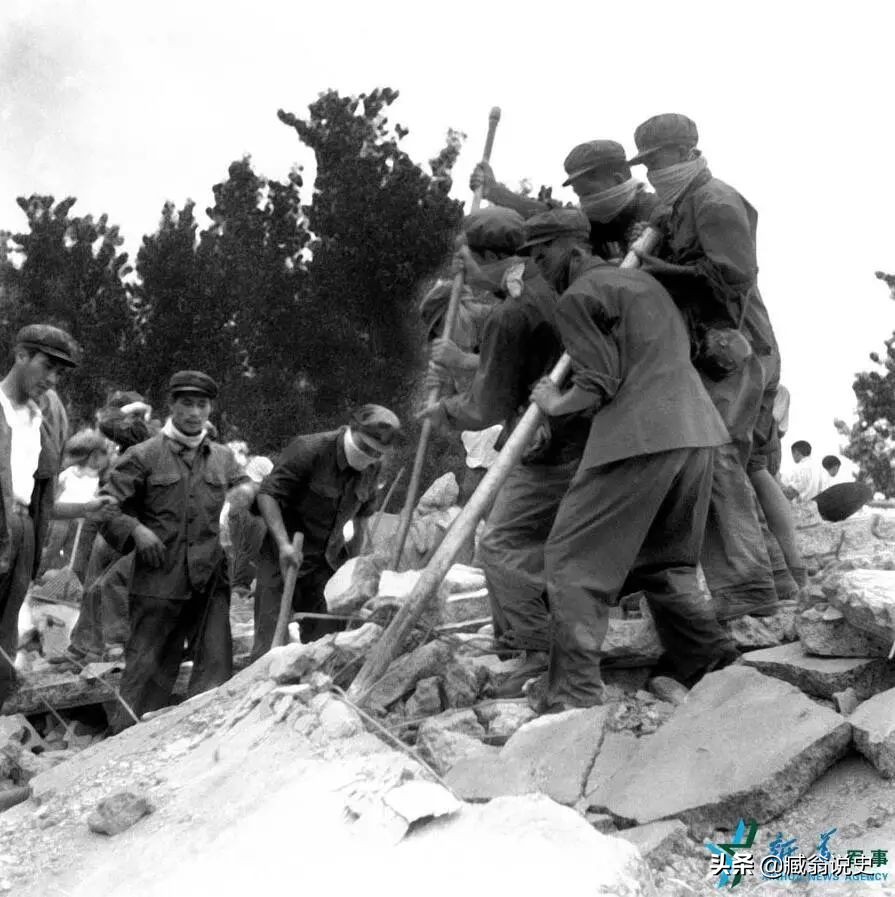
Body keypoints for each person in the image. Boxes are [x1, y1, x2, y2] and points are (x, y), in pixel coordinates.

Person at [530, 240, 737, 712]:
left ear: (572, 250)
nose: (540, 270)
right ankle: (711, 663)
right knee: (663, 563)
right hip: (696, 432)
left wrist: (553, 403)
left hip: (638, 436)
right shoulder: (646, 282)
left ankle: (575, 696)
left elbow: (599, 381)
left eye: (543, 257)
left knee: (571, 561)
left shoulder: (579, 296)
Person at [629, 112, 804, 615]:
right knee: (736, 463)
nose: (652, 173)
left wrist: (656, 272)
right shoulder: (679, 205)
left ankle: (748, 595)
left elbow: (731, 278)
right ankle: (778, 582)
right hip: (716, 349)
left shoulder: (716, 200)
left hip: (738, 348)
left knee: (719, 455)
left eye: (658, 161)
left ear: (685, 154)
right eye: (647, 165)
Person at [419, 209, 593, 688]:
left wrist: (444, 411)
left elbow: (488, 404)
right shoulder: (542, 288)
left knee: (501, 545)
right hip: (572, 437)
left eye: (466, 259)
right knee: (528, 547)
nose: (462, 271)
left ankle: (537, 652)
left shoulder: (510, 314)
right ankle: (514, 643)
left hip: (549, 448)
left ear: (491, 256)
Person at [99, 371, 249, 731]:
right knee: (148, 671)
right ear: (171, 405)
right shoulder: (143, 455)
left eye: (202, 404)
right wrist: (136, 530)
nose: (195, 412)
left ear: (210, 408)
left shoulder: (222, 457)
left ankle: (202, 743)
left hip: (209, 578)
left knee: (215, 664)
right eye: (187, 403)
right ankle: (128, 740)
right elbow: (106, 508)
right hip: (158, 581)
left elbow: (244, 486)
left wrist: (243, 496)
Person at [251, 404, 401, 657]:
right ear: (352, 429)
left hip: (327, 563)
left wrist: (356, 566)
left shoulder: (372, 467)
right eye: (365, 448)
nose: (368, 457)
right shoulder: (310, 449)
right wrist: (284, 544)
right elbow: (268, 495)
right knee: (269, 647)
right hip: (283, 558)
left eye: (376, 453)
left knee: (327, 646)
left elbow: (362, 518)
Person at [0, 325, 83, 706]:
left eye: (59, 374)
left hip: (22, 530)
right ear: (20, 356)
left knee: (6, 631)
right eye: (47, 367)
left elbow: (42, 492)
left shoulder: (41, 421)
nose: (51, 381)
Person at [51, 390, 160, 671]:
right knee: (90, 586)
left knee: (105, 587)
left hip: (127, 521)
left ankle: (105, 648)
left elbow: (110, 424)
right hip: (105, 518)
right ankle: (82, 647)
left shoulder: (143, 433)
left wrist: (133, 411)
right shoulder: (119, 448)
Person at [471, 140, 657, 260]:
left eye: (587, 194)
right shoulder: (597, 221)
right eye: (579, 196)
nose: (585, 203)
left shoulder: (657, 213)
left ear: (618, 180)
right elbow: (553, 218)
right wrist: (495, 192)